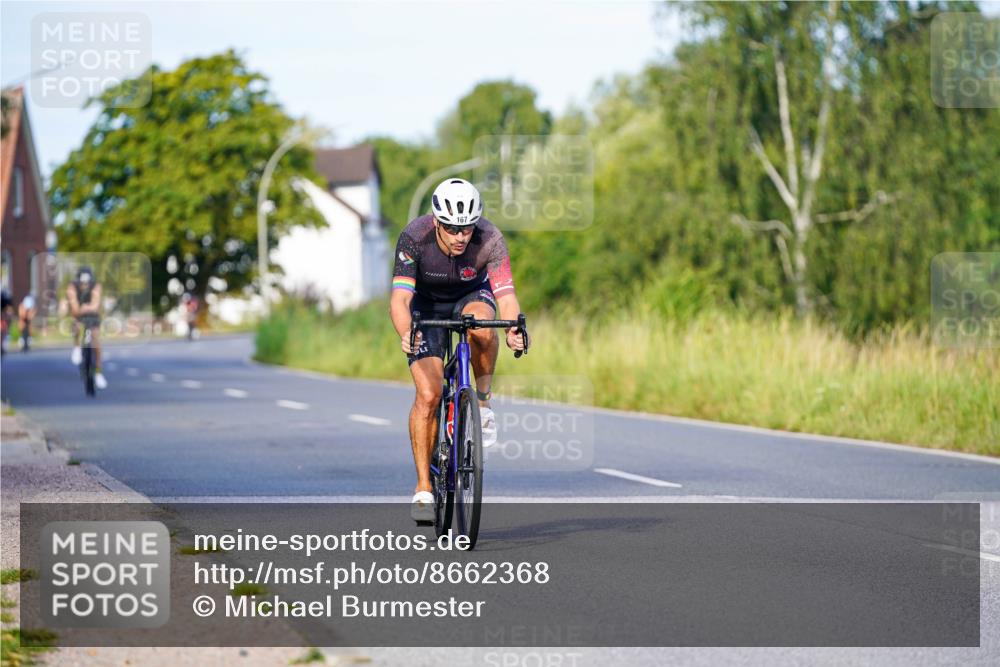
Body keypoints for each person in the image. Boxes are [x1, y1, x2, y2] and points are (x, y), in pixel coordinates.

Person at [389, 178, 528, 521]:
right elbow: (400, 298)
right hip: (425, 305)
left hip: (470, 298)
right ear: (437, 222)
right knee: (429, 394)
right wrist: (406, 331)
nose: (460, 236)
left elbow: (506, 296)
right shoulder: (413, 237)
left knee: (482, 326)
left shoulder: (491, 239)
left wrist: (512, 327)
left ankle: (481, 403)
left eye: (466, 228)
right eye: (452, 228)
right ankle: (423, 487)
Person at [67, 266, 107, 389]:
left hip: (92, 316)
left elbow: (95, 305)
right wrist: (81, 308)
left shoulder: (96, 286)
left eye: (87, 283)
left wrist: (86, 307)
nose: (85, 285)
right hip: (78, 315)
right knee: (76, 326)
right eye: (82, 283)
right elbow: (74, 309)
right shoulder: (72, 287)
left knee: (96, 340)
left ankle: (99, 372)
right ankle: (77, 347)